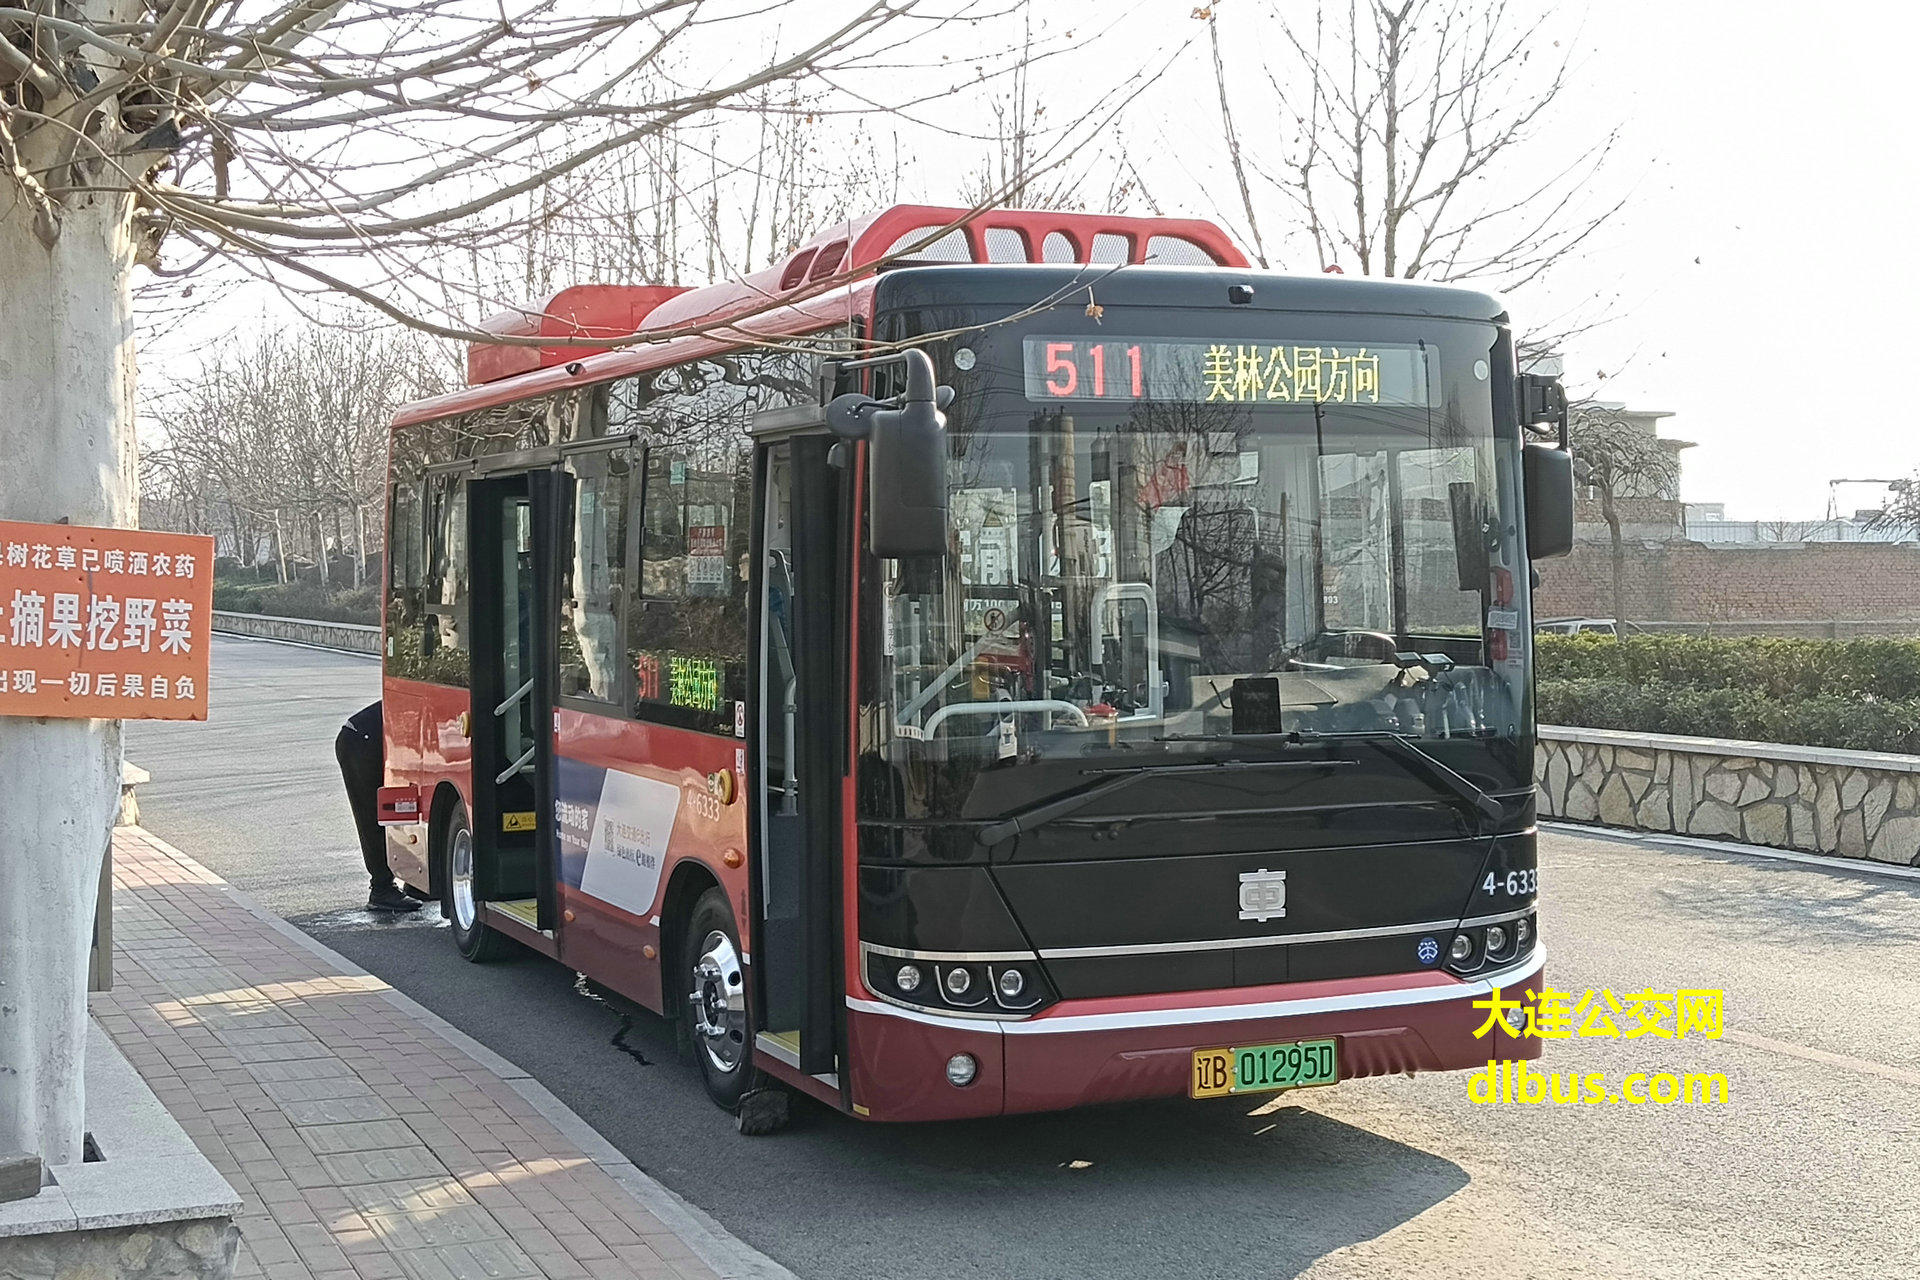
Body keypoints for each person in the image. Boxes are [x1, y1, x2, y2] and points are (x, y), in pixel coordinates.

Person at [335, 701, 422, 912]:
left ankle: (416, 881)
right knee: (375, 817)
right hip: (360, 740)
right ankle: (381, 889)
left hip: (369, 738)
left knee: (405, 811)